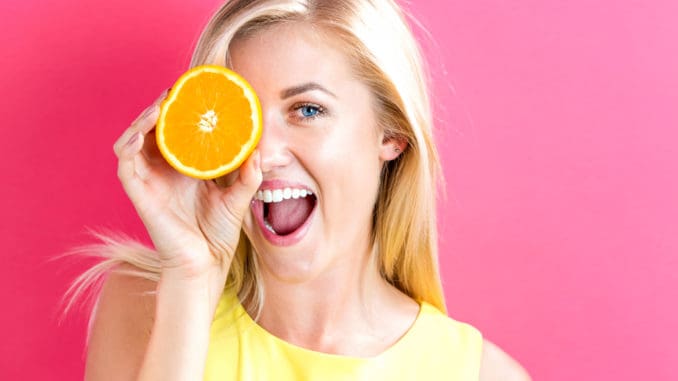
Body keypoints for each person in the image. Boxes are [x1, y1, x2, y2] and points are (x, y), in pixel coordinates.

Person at [75, 0, 531, 379]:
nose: (264, 153)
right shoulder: (148, 307)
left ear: (391, 135)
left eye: (308, 110)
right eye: (245, 114)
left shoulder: (480, 374)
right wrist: (191, 282)